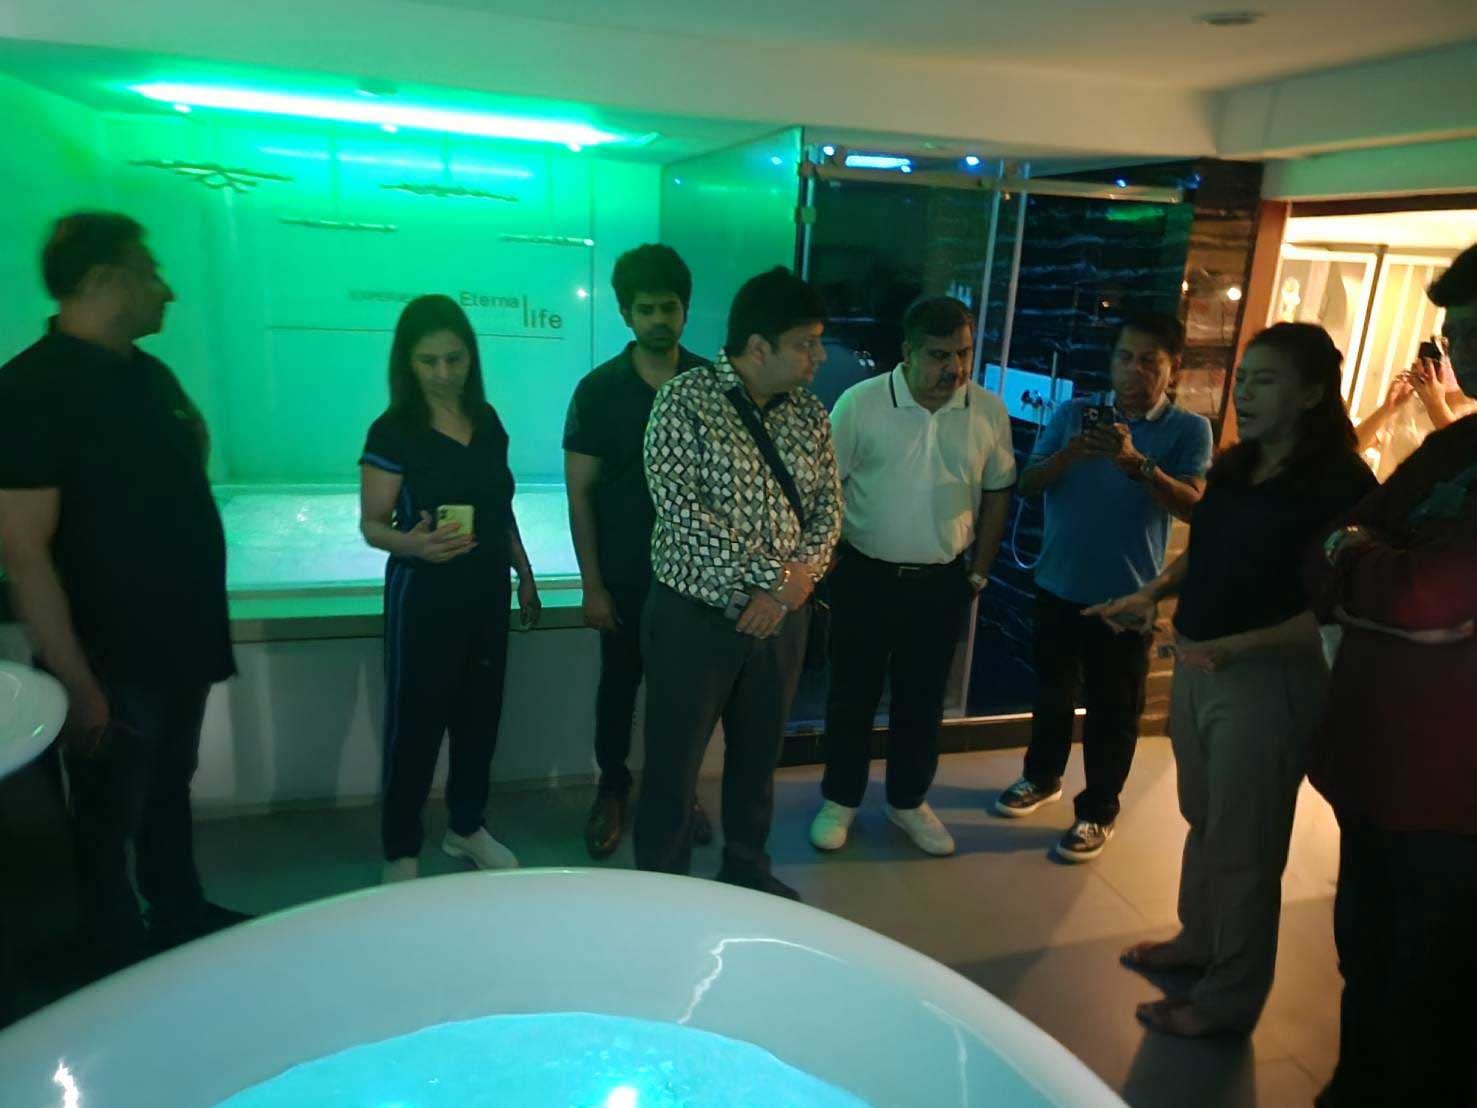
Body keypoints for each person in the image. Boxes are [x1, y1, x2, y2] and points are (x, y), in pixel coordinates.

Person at [1091, 322, 1376, 1037]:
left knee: (1247, 846)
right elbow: (1208, 549)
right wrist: (1152, 592)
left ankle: (1228, 1000)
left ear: (1311, 393)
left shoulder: (1341, 483)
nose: (1244, 394)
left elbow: (1338, 604)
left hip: (1266, 678)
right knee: (1204, 818)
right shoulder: (1239, 463)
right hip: (1200, 660)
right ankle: (1198, 940)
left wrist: (1239, 647)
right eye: (1242, 378)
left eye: (1265, 381)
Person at [0, 213, 248, 973]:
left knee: (170, 787)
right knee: (108, 810)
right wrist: (76, 683)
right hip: (112, 657)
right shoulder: (31, 389)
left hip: (178, 640)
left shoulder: (148, 374)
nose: (165, 290)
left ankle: (177, 913)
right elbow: (23, 553)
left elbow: (191, 447)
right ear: (104, 279)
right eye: (149, 271)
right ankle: (110, 953)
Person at [1308, 244, 1477, 1107]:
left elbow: (1424, 598)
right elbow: (1336, 536)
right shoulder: (1457, 447)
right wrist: (1364, 556)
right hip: (1374, 770)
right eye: (1453, 334)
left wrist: (1362, 557)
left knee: (1428, 1001)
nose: (1459, 351)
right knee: (1364, 963)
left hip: (1452, 798)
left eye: (1474, 331)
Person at [634, 267, 841, 900]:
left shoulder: (809, 414)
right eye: (805, 344)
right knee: (674, 764)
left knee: (758, 756)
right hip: (694, 618)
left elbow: (829, 510)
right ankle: (662, 891)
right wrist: (777, 579)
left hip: (781, 619)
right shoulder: (684, 401)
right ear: (758, 346)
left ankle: (747, 869)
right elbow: (683, 512)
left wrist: (788, 592)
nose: (818, 357)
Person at [996, 311, 1213, 863]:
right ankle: (1041, 777)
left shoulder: (1189, 430)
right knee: (1051, 695)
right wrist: (1073, 452)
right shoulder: (1073, 414)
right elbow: (1028, 484)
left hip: (1127, 596)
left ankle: (1098, 810)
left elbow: (1195, 507)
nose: (1133, 370)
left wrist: (1138, 464)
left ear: (1173, 367)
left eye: (1148, 360)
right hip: (1057, 581)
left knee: (1114, 712)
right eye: (1124, 357)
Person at [807, 297, 1015, 857]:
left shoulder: (986, 410)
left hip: (942, 581)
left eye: (963, 353)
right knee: (851, 695)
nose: (955, 368)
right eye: (939, 355)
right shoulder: (861, 404)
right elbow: (826, 488)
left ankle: (907, 801)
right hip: (865, 575)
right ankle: (841, 798)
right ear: (908, 352)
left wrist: (979, 573)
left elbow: (999, 489)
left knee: (922, 702)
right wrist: (824, 563)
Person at [359, 295, 540, 884]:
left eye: (454, 359)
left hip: (485, 590)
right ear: (407, 363)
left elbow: (500, 508)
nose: (443, 373)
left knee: (479, 716)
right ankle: (400, 849)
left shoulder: (486, 422)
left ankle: (466, 826)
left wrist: (524, 573)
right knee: (414, 724)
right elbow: (372, 525)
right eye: (428, 360)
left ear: (471, 358)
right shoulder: (393, 431)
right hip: (423, 596)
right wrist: (414, 545)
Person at [563, 245, 714, 859]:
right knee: (619, 690)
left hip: (695, 579)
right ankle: (612, 789)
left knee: (686, 696)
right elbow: (580, 494)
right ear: (625, 314)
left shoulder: (711, 386)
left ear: (685, 310)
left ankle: (677, 792)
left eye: (668, 308)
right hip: (624, 574)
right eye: (646, 309)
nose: (658, 320)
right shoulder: (599, 390)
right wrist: (592, 584)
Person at [1354, 343, 1475, 480]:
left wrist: (1436, 404)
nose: (1447, 361)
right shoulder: (1409, 403)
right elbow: (1352, 447)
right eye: (1443, 352)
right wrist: (1387, 409)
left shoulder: (1472, 418)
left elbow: (1462, 457)